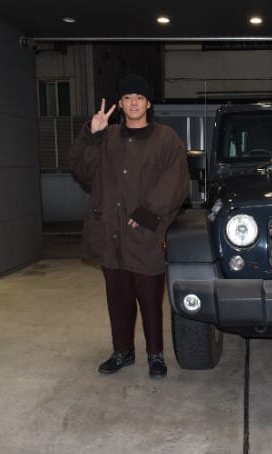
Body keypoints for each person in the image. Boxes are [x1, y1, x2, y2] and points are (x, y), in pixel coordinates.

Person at [69, 74, 189, 378]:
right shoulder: (106, 137)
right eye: (126, 98)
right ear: (120, 105)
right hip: (110, 233)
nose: (133, 103)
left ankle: (155, 355)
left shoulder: (166, 139)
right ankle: (121, 352)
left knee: (150, 299)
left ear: (148, 103)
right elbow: (82, 170)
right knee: (117, 298)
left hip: (145, 235)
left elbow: (176, 181)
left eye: (139, 97)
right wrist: (91, 134)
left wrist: (149, 214)